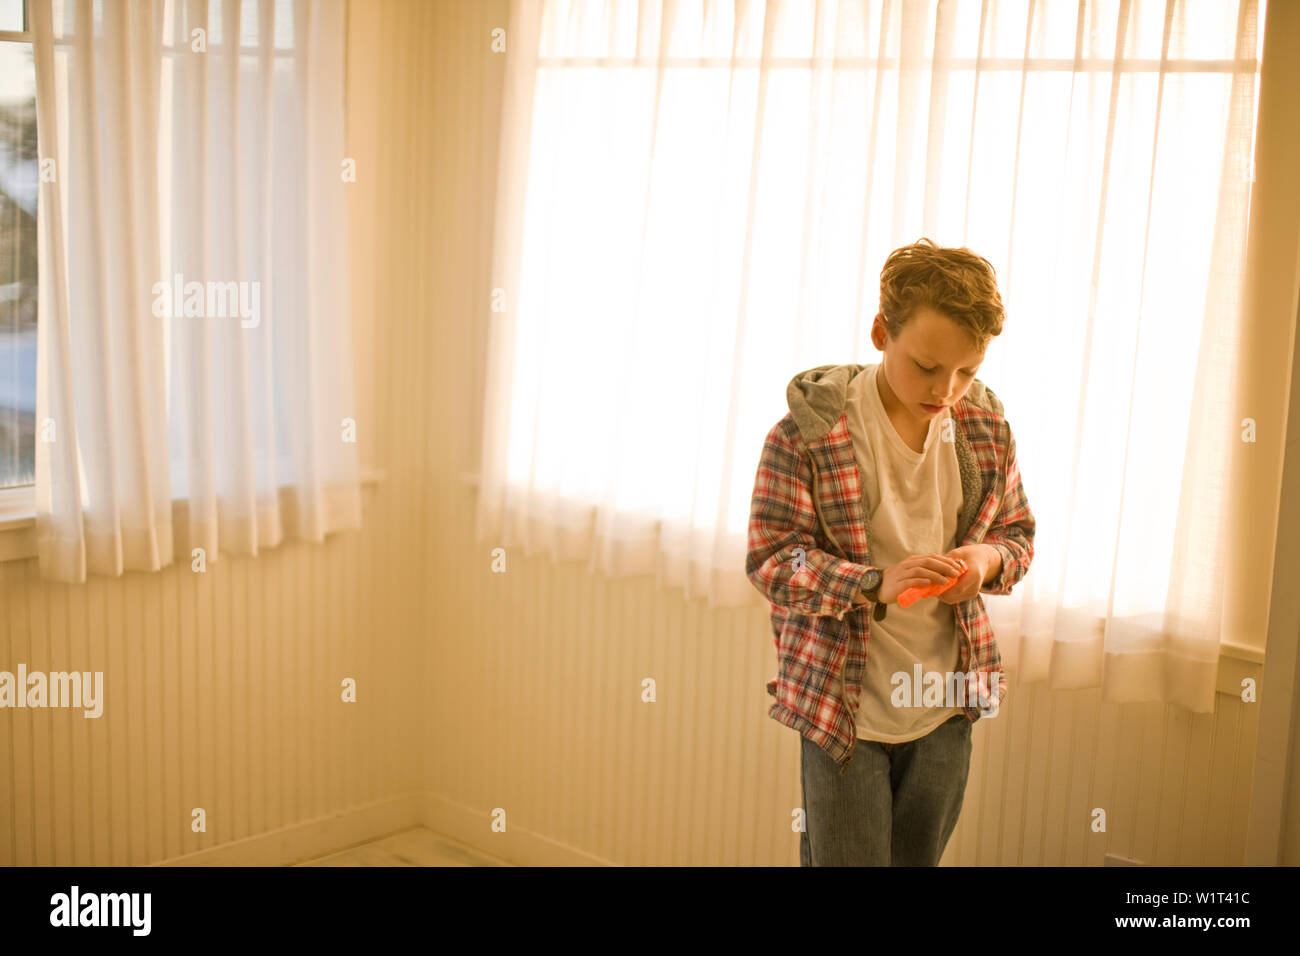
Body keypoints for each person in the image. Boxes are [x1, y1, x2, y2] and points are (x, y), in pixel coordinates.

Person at [745, 238, 1035, 866]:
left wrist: (982, 563)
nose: (947, 389)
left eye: (967, 371)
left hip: (944, 705)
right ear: (881, 332)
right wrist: (873, 581)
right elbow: (772, 559)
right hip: (845, 706)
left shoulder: (986, 432)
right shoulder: (810, 434)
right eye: (928, 366)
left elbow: (1016, 537)